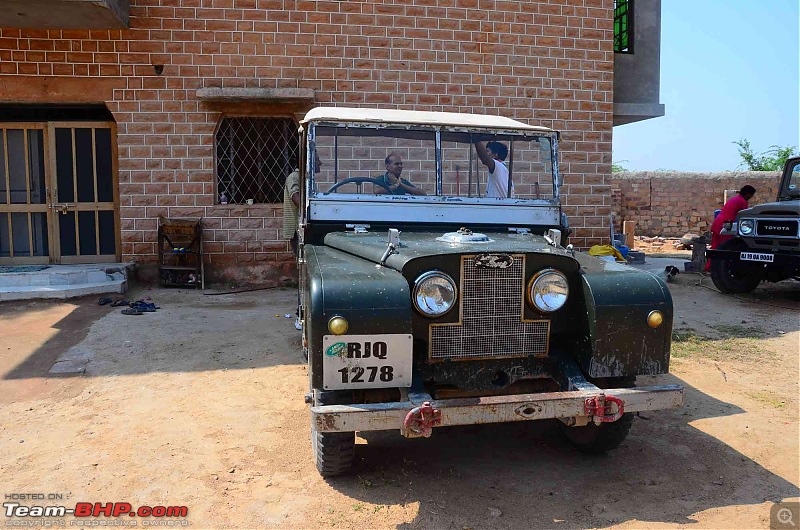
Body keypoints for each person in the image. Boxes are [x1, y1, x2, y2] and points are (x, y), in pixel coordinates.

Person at [283, 152, 321, 330]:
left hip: (306, 230)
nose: (320, 163)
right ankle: (300, 314)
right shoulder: (295, 177)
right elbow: (296, 197)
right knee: (304, 274)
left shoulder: (308, 180)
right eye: (317, 160)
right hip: (299, 232)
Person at [705, 185, 756, 271]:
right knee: (725, 249)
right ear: (748, 194)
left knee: (715, 248)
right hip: (726, 226)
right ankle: (722, 269)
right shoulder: (742, 201)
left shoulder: (735, 199)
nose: (751, 197)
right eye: (751, 195)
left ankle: (709, 267)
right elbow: (745, 217)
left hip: (718, 223)